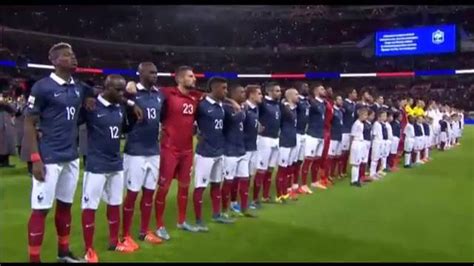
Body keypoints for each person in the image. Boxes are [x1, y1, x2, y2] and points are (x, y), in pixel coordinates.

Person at [23, 42, 97, 263]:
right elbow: (29, 122)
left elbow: (92, 91)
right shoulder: (42, 87)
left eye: (73, 54)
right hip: (49, 157)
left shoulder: (78, 86)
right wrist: (35, 158)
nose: (73, 58)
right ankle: (34, 260)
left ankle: (63, 253)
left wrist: (91, 96)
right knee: (41, 209)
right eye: (67, 55)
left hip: (71, 156)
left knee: (65, 205)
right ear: (54, 61)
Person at [80, 75, 136, 262]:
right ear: (106, 88)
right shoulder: (92, 106)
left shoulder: (119, 108)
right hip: (96, 165)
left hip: (115, 163)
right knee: (90, 206)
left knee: (114, 203)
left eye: (122, 90)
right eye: (117, 90)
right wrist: (88, 96)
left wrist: (129, 102)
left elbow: (127, 126)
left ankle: (114, 242)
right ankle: (88, 249)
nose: (121, 94)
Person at [121, 62, 164, 250]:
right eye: (151, 72)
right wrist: (130, 99)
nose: (155, 75)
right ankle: (126, 235)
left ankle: (144, 231)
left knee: (149, 193)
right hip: (135, 151)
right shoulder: (130, 92)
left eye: (156, 72)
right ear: (140, 73)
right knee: (131, 194)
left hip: (153, 151)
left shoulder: (159, 94)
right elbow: (114, 96)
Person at [193, 77, 235, 232]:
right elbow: (191, 119)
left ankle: (216, 214)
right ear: (214, 88)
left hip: (219, 150)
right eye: (223, 88)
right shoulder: (202, 105)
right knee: (200, 186)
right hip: (205, 153)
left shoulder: (222, 106)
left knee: (217, 183)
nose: (226, 91)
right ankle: (198, 219)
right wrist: (196, 130)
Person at [221, 84, 256, 217]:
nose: (244, 94)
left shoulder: (242, 108)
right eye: (241, 92)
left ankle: (244, 208)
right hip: (229, 150)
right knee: (228, 181)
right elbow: (233, 121)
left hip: (242, 149)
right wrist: (237, 107)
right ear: (233, 94)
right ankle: (225, 210)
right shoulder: (227, 108)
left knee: (245, 179)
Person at [253, 82, 281, 204]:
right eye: (276, 91)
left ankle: (265, 195)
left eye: (279, 91)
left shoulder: (278, 105)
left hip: (275, 139)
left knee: (270, 169)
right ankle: (255, 198)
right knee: (261, 169)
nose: (279, 93)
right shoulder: (263, 104)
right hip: (264, 139)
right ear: (269, 92)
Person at [300, 83, 326, 191]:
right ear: (316, 91)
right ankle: (304, 184)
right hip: (312, 135)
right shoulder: (312, 103)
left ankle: (315, 182)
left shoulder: (323, 104)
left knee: (317, 160)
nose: (324, 90)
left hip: (320, 135)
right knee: (308, 160)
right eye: (322, 89)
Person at [275, 88, 299, 203]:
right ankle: (279, 194)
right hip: (284, 141)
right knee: (282, 169)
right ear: (290, 96)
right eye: (296, 94)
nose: (298, 96)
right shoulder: (283, 108)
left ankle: (286, 192)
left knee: (289, 168)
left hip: (293, 141)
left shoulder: (295, 108)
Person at [242, 85, 263, 210]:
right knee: (241, 176)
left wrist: (258, 126)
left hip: (253, 146)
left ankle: (246, 200)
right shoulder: (244, 107)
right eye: (259, 93)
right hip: (244, 147)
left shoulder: (256, 109)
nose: (261, 96)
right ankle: (234, 202)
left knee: (249, 175)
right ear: (251, 95)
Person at [293, 82, 311, 194]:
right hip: (296, 133)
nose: (307, 88)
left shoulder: (306, 101)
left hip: (303, 133)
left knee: (300, 161)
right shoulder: (297, 101)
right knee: (293, 161)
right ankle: (290, 186)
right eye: (304, 86)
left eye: (307, 86)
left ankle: (296, 184)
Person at [340, 88, 357, 178]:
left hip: (351, 130)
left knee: (347, 152)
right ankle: (339, 171)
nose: (356, 94)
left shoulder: (354, 104)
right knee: (343, 152)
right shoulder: (345, 104)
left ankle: (343, 170)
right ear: (349, 94)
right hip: (345, 130)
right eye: (354, 92)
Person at [349, 107, 368, 187]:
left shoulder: (361, 123)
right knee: (355, 163)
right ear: (360, 115)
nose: (366, 117)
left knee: (359, 162)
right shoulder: (356, 123)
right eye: (365, 115)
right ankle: (353, 180)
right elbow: (352, 135)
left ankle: (356, 179)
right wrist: (351, 146)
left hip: (360, 143)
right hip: (356, 143)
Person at [327, 95, 344, 180]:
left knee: (337, 156)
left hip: (339, 136)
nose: (341, 101)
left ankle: (333, 173)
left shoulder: (340, 111)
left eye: (341, 100)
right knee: (330, 156)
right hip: (333, 136)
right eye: (339, 99)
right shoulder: (332, 110)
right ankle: (327, 175)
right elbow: (328, 122)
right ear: (334, 101)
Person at [0, 94, 17, 168]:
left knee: (7, 143)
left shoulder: (6, 105)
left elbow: (14, 111)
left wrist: (5, 103)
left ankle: (5, 162)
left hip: (6, 123)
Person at [369, 110, 387, 180]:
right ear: (379, 117)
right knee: (374, 159)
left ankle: (376, 172)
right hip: (376, 142)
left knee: (378, 158)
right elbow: (373, 135)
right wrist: (372, 144)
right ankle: (371, 174)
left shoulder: (380, 124)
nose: (384, 117)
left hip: (380, 142)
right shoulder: (376, 124)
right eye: (383, 116)